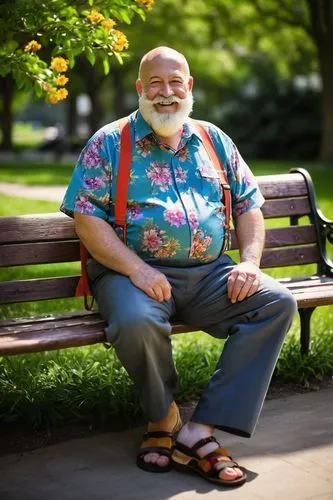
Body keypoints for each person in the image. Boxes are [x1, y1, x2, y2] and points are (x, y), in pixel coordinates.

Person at [61, 46, 297, 487]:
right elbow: (86, 219)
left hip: (209, 275)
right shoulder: (109, 143)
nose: (165, 93)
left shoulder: (213, 139)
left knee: (276, 303)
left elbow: (248, 206)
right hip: (129, 274)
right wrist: (137, 270)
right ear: (139, 89)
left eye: (175, 82)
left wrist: (249, 263)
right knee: (134, 320)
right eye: (155, 83)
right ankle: (163, 417)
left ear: (189, 87)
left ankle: (199, 430)